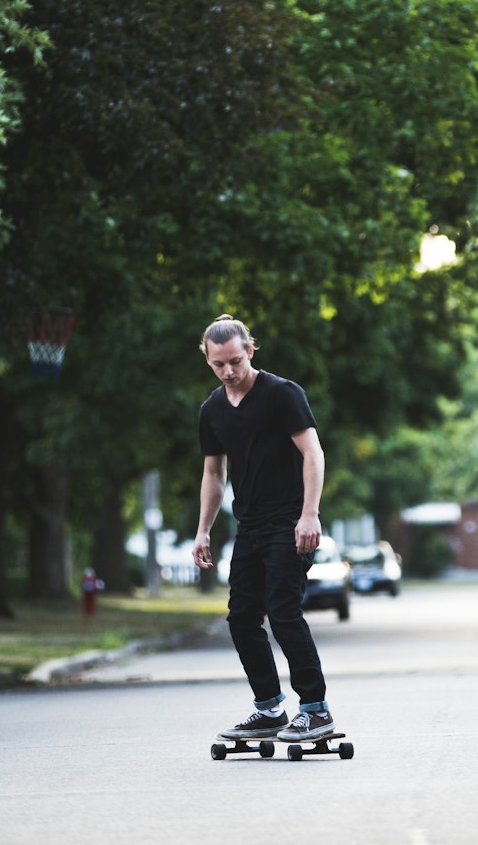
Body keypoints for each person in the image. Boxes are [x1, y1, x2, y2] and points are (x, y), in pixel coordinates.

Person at [191, 312, 336, 742]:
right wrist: (203, 530)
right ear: (208, 360)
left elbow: (313, 453)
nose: (229, 371)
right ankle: (270, 708)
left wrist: (309, 514)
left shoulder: (282, 394)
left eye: (235, 360)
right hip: (250, 527)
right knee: (241, 618)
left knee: (283, 611)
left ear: (250, 351)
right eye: (219, 364)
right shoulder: (212, 410)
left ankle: (315, 709)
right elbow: (214, 475)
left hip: (291, 522)